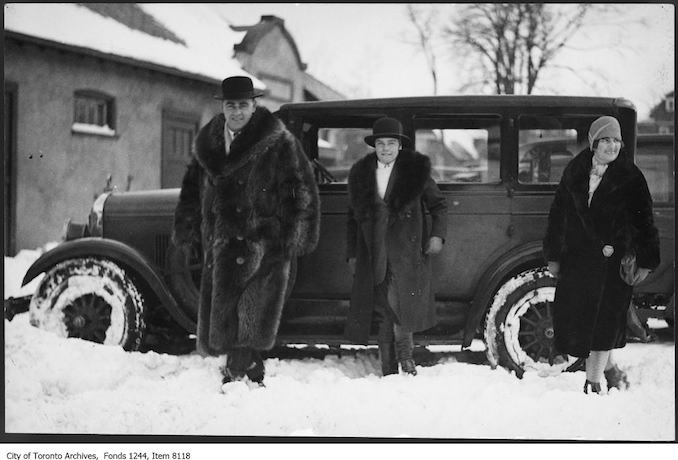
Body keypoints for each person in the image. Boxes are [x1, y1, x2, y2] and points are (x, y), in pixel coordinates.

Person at [172, 76, 320, 387]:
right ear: (223, 107)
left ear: (254, 106)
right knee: (228, 310)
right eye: (231, 105)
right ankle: (253, 370)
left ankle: (236, 374)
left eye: (243, 105)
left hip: (262, 245)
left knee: (250, 311)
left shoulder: (279, 142)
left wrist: (288, 237)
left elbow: (302, 191)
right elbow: (190, 190)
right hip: (221, 242)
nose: (237, 111)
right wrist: (187, 231)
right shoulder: (208, 142)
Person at [543, 116, 660, 394]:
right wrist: (554, 255)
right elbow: (558, 215)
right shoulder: (575, 171)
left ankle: (593, 382)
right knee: (581, 319)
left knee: (605, 322)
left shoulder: (630, 176)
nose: (612, 146)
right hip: (579, 261)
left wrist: (646, 259)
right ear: (594, 143)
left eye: (617, 140)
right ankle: (609, 369)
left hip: (614, 262)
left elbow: (645, 221)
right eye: (606, 140)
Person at [345, 117, 448, 376]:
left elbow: (439, 205)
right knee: (384, 309)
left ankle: (403, 358)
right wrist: (352, 254)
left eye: (391, 143)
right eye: (381, 144)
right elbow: (351, 219)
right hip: (374, 252)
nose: (386, 149)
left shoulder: (415, 171)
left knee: (399, 306)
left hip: (406, 251)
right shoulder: (362, 174)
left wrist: (437, 236)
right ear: (374, 146)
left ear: (400, 146)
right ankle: (391, 368)